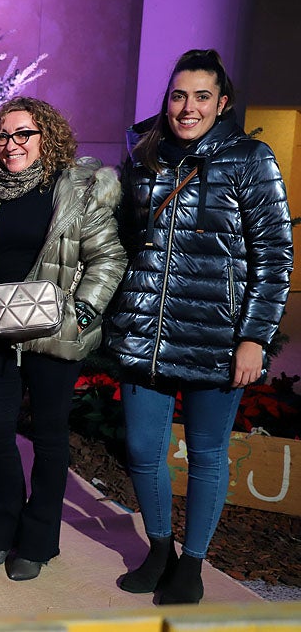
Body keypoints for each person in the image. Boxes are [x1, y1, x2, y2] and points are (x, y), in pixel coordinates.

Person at [105, 49, 292, 605]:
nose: (187, 108)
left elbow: (275, 255)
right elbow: (124, 237)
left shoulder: (250, 159)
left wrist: (255, 336)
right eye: (178, 95)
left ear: (223, 102)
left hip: (217, 339)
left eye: (202, 97)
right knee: (142, 448)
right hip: (148, 334)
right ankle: (158, 547)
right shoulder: (144, 155)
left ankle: (192, 564)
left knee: (208, 454)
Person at [0, 97, 126, 580]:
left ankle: (36, 543)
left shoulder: (75, 190)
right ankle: (3, 533)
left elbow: (109, 258)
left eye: (23, 135)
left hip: (57, 332)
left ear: (45, 137)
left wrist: (83, 311)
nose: (12, 145)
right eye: (4, 136)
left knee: (50, 438)